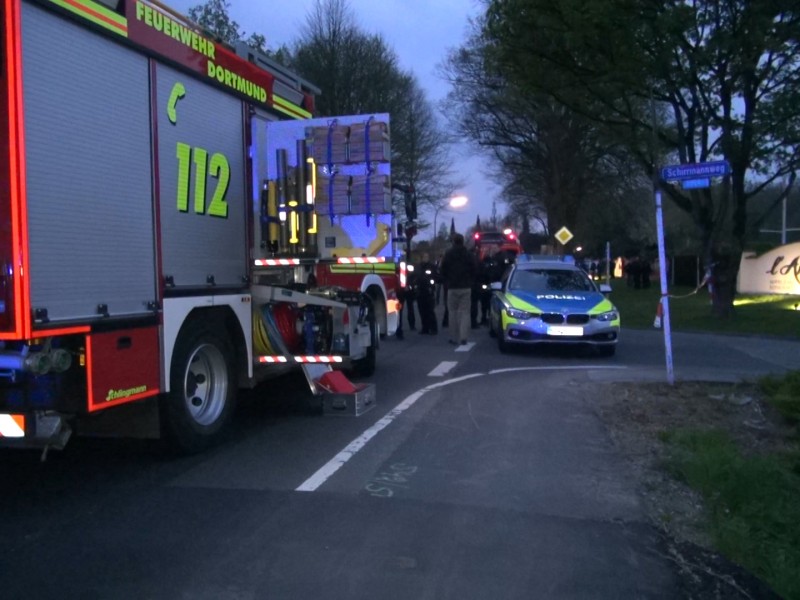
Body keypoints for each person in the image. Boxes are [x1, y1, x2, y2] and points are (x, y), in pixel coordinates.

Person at [439, 233, 478, 345]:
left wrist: (447, 281)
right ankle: (463, 336)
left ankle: (453, 337)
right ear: (463, 241)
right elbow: (474, 269)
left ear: (453, 242)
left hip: (452, 287)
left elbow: (443, 269)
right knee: (465, 312)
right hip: (465, 286)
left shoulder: (448, 254)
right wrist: (470, 281)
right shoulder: (468, 255)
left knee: (452, 312)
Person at [415, 253, 438, 335]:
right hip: (420, 290)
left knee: (430, 310)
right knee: (422, 310)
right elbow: (415, 277)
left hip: (428, 290)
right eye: (424, 257)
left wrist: (432, 286)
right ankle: (425, 328)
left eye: (426, 257)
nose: (425, 258)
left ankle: (433, 328)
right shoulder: (418, 267)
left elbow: (435, 276)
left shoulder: (431, 266)